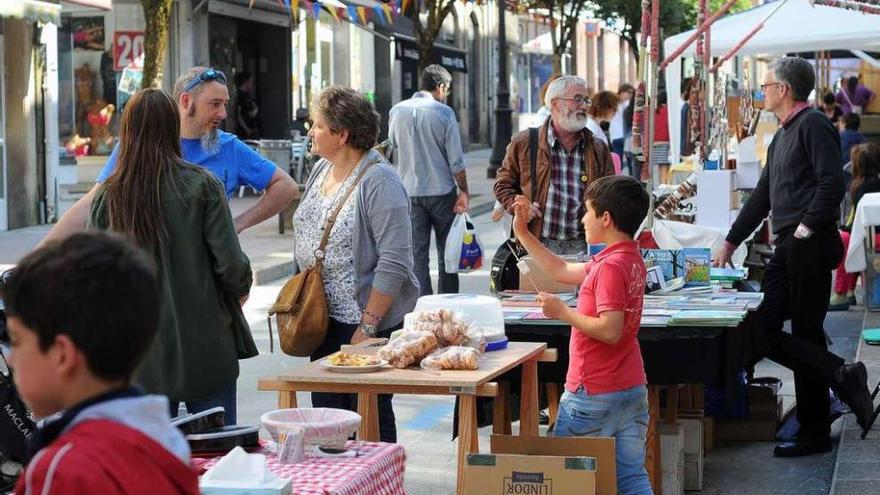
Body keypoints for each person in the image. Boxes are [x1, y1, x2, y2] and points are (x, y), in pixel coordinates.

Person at [714, 57, 873, 456]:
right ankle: (841, 373)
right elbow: (762, 196)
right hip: (789, 246)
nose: (761, 92)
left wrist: (805, 228)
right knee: (764, 328)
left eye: (765, 86)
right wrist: (731, 242)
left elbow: (831, 182)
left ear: (783, 89)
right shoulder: (783, 134)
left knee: (803, 331)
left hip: (807, 243)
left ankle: (814, 430)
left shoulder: (813, 124)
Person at [89, 88, 254, 424]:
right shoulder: (201, 185)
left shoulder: (108, 197)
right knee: (219, 457)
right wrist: (240, 287)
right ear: (171, 127)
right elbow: (232, 267)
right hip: (206, 349)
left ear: (127, 131)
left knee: (148, 463)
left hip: (138, 357)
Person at [3, 232, 199, 494]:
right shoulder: (166, 440)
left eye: (17, 341)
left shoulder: (59, 470)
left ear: (62, 355)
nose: (12, 358)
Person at [40, 66, 299, 246]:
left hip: (204, 285)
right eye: (214, 104)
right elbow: (92, 204)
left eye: (225, 104)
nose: (223, 113)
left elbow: (285, 187)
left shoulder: (229, 147)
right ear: (186, 101)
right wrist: (38, 258)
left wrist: (238, 223)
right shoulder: (141, 144)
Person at [511, 175, 652, 494]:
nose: (583, 218)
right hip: (630, 388)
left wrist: (564, 313)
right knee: (631, 478)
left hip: (594, 392)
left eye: (588, 211)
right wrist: (522, 233)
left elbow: (610, 329)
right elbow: (560, 270)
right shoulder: (626, 259)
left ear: (606, 218)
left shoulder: (610, 268)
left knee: (565, 480)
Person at [295, 86, 419, 443]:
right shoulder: (322, 168)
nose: (311, 132)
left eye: (317, 125)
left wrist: (368, 327)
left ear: (342, 134)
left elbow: (395, 260)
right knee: (328, 418)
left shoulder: (380, 181)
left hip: (363, 323)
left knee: (369, 420)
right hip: (323, 320)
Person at [494, 75, 615, 256]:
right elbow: (502, 184)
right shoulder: (524, 142)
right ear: (555, 104)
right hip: (538, 245)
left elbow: (611, 194)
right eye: (577, 99)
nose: (584, 105)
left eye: (586, 100)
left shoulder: (597, 147)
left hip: (584, 247)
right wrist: (518, 206)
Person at [388, 64, 467, 296]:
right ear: (441, 87)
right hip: (442, 192)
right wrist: (464, 191)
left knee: (417, 256)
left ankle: (423, 306)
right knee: (448, 254)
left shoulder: (396, 110)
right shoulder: (444, 113)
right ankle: (448, 303)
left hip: (409, 192)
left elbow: (392, 147)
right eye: (447, 90)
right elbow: (456, 162)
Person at [831, 143, 880, 311]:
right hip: (872, 234)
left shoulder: (861, 187)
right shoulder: (874, 183)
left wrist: (844, 229)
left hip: (871, 236)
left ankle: (842, 293)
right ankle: (850, 291)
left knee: (845, 239)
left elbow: (857, 223)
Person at [610, 84, 634, 161]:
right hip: (616, 136)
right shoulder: (613, 103)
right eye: (628, 92)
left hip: (627, 136)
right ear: (622, 92)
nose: (630, 95)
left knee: (631, 161)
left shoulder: (628, 104)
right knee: (617, 161)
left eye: (631, 93)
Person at [651, 91, 671, 184]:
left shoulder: (654, 111)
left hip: (655, 141)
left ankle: (661, 185)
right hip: (666, 141)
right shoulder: (668, 110)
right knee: (665, 166)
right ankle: (664, 186)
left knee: (660, 166)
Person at [234, 71, 259, 140]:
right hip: (245, 133)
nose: (252, 84)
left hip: (249, 130)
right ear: (246, 82)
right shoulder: (241, 97)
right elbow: (239, 116)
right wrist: (248, 130)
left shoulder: (247, 96)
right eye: (251, 81)